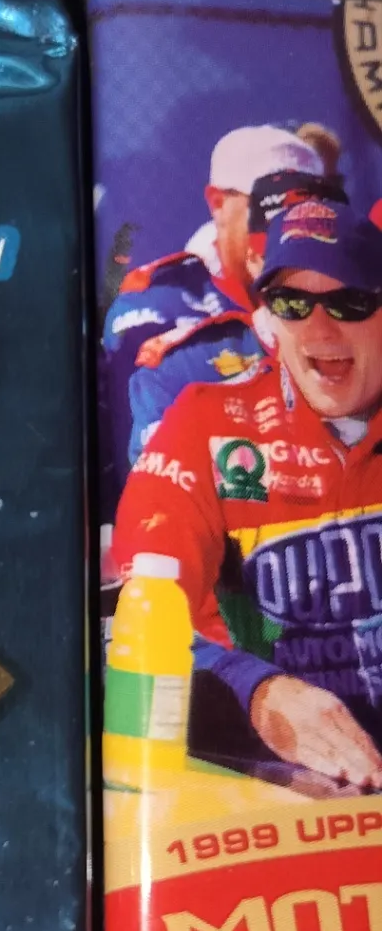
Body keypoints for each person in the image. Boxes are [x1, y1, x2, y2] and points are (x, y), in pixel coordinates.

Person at [111, 191, 382, 791]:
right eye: (292, 303)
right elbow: (145, 614)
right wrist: (259, 693)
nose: (320, 329)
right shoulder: (205, 424)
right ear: (267, 316)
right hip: (282, 792)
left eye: (350, 301)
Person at [103, 124, 338, 466]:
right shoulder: (152, 308)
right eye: (269, 208)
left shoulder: (349, 297)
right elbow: (140, 468)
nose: (287, 226)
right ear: (217, 203)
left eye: (303, 207)